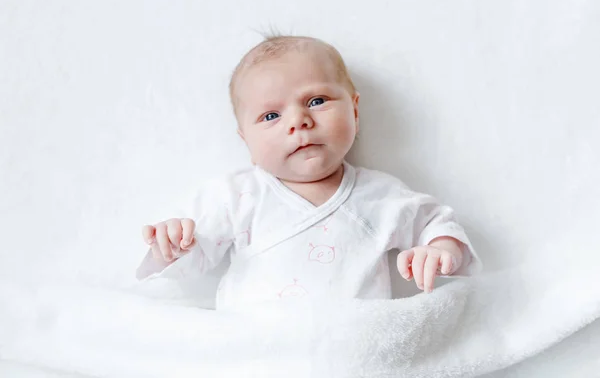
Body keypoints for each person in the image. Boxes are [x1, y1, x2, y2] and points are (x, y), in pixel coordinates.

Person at [136, 35, 482, 310]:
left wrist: (441, 250)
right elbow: (186, 267)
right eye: (271, 116)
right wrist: (171, 247)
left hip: (349, 351)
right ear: (246, 141)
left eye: (316, 101)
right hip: (258, 351)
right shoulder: (236, 196)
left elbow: (437, 222)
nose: (299, 121)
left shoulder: (381, 195)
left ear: (355, 110)